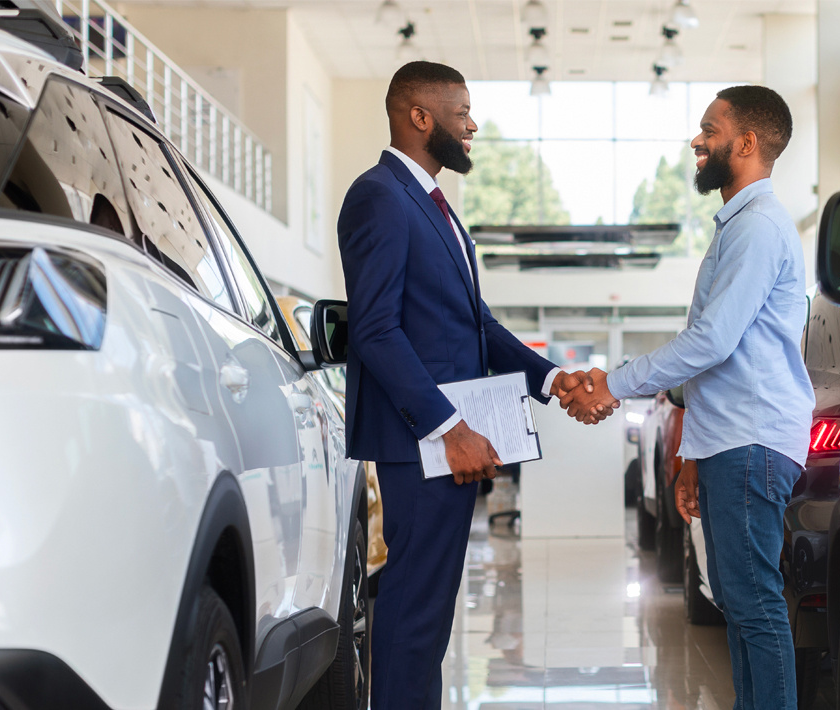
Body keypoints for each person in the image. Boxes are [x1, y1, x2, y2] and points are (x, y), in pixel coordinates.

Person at [336, 61, 600, 709]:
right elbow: (373, 330)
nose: (472, 125)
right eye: (461, 114)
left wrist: (555, 378)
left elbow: (475, 324)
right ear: (419, 117)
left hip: (449, 443)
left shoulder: (435, 207)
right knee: (411, 614)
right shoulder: (380, 196)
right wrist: (448, 429)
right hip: (423, 442)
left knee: (428, 618)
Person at [565, 85, 815, 710]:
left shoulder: (756, 227)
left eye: (710, 128)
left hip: (753, 443)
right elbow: (725, 360)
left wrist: (613, 383)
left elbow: (712, 341)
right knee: (734, 597)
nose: (698, 141)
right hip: (734, 441)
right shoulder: (738, 226)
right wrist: (693, 457)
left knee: (753, 600)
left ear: (748, 143)